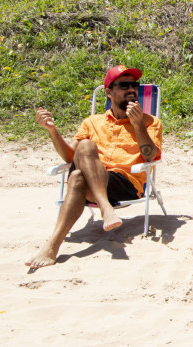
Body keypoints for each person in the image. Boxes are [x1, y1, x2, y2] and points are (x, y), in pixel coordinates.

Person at [26, 65, 162, 270]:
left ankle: (51, 246)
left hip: (125, 182)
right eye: (124, 85)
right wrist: (52, 131)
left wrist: (137, 125)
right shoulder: (92, 122)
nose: (132, 89)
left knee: (77, 178)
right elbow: (70, 156)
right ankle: (105, 208)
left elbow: (150, 156)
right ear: (109, 92)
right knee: (86, 147)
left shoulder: (150, 122)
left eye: (135, 85)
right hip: (97, 179)